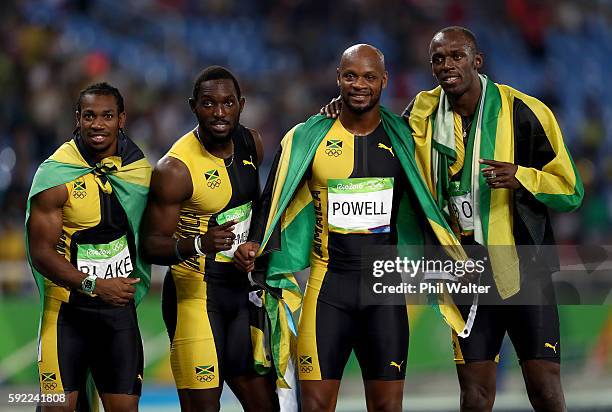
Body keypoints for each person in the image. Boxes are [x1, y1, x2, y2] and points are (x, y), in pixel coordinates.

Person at [322, 27, 583, 411]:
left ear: (477, 61)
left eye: (457, 56)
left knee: (544, 387)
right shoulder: (422, 112)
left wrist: (522, 177)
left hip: (525, 267)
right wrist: (341, 107)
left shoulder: (525, 111)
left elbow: (570, 190)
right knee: (475, 395)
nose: (448, 65)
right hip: (462, 271)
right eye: (439, 58)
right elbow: (382, 130)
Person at [235, 44, 464, 412]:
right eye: (351, 76)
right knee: (315, 407)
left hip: (385, 295)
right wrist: (254, 244)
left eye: (369, 77)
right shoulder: (307, 137)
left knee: (388, 408)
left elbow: (434, 182)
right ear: (338, 78)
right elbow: (272, 197)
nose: (359, 84)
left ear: (384, 81)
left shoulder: (406, 138)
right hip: (327, 291)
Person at [140, 66, 279, 412]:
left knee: (267, 404)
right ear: (193, 106)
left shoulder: (252, 143)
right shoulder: (175, 169)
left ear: (241, 104)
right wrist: (199, 244)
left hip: (242, 295)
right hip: (196, 298)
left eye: (227, 103)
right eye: (208, 104)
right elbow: (150, 244)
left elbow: (257, 206)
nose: (219, 113)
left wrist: (254, 245)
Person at [26, 82, 152, 412]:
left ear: (121, 119)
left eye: (107, 116)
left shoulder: (139, 172)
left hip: (117, 316)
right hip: (67, 314)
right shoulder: (55, 175)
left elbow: (151, 233)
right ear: (77, 119)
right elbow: (41, 251)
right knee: (57, 408)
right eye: (90, 116)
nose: (98, 124)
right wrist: (94, 285)